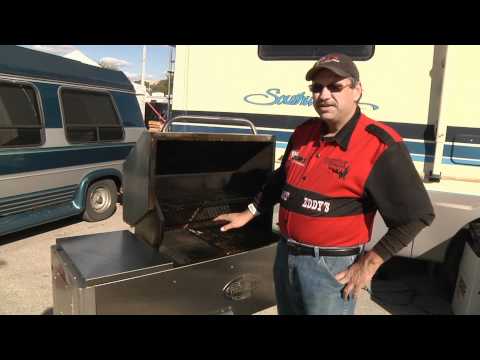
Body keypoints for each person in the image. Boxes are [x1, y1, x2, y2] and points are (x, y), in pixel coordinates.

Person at [214, 53, 435, 315]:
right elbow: (281, 180)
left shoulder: (380, 145)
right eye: (317, 88)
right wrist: (248, 212)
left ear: (357, 90)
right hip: (286, 255)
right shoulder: (303, 133)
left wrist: (368, 265)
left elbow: (417, 215)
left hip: (332, 267)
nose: (324, 95)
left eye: (335, 86)